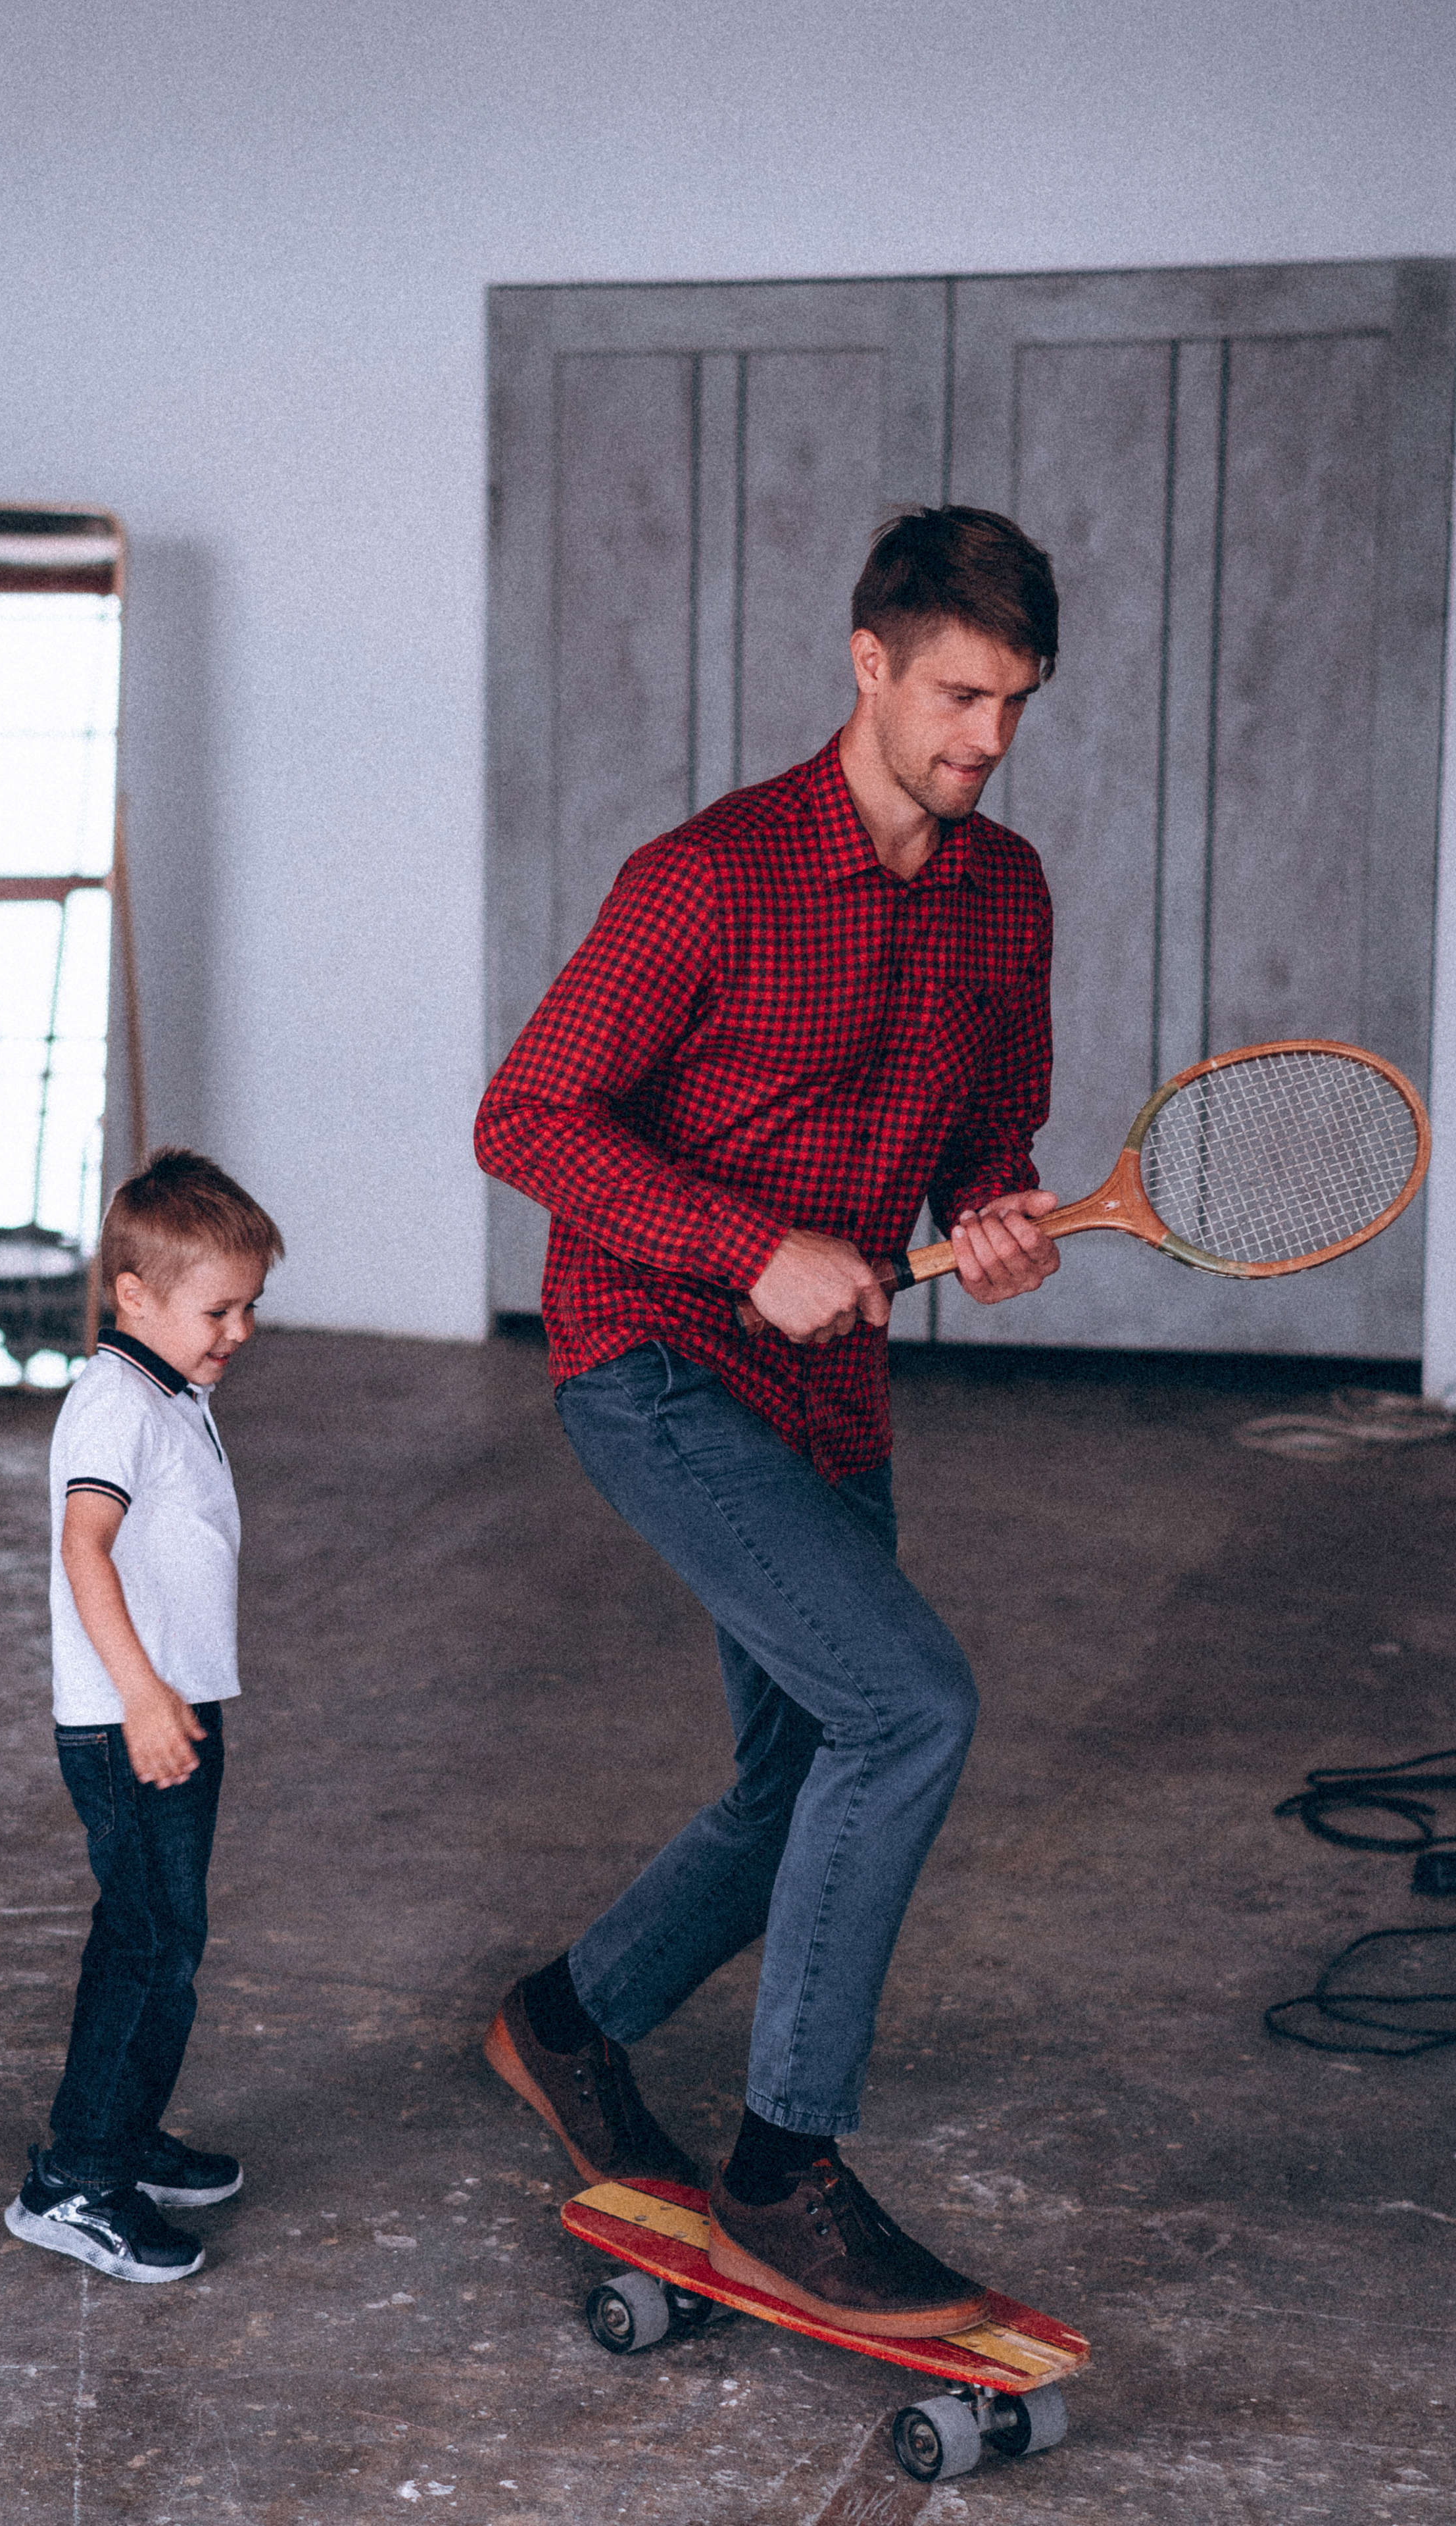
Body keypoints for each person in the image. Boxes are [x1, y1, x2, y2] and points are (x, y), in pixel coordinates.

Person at [475, 506, 1062, 2340]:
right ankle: (780, 2174)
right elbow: (527, 1123)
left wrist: (1006, 1206)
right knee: (909, 1706)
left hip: (835, 1389)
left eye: (1019, 702)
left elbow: (993, 1125)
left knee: (805, 1764)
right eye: (959, 694)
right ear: (868, 664)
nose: (986, 738)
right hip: (654, 1357)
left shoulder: (1005, 889)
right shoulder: (708, 879)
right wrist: (752, 1245)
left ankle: (562, 2025)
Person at [5, 1149, 284, 2282]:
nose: (240, 1331)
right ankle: (74, 2182)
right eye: (219, 1308)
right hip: (135, 1720)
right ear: (135, 1296)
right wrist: (143, 1697)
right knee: (149, 1939)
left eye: (250, 1307)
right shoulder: (114, 1404)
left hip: (171, 1709)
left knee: (169, 1936)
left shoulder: (174, 1390)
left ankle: (123, 2134)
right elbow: (85, 1548)